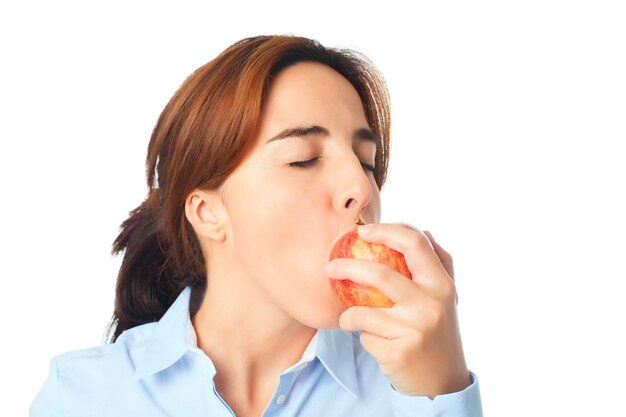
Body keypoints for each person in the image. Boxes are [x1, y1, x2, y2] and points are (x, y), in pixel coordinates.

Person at [30, 34, 483, 416]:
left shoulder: (418, 393)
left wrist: (443, 391)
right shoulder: (79, 396)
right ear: (208, 213)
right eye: (303, 159)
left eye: (366, 163)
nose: (360, 190)